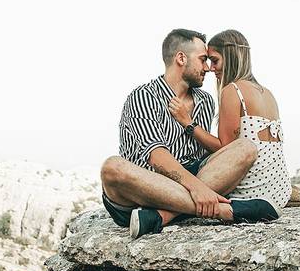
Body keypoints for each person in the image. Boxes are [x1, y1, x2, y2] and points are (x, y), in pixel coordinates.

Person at [100, 29, 276, 239]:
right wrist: (199, 189)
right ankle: (226, 211)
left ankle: (161, 216)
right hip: (146, 187)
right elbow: (158, 158)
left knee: (246, 147)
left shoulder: (205, 101)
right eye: (203, 60)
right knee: (112, 167)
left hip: (193, 177)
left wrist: (200, 182)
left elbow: (212, 153)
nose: (208, 68)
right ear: (181, 58)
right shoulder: (144, 96)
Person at [168, 29, 290, 218]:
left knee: (196, 193)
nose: (210, 68)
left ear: (231, 57)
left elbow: (224, 147)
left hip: (252, 188)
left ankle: (162, 213)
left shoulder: (233, 91)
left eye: (215, 60)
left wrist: (188, 123)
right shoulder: (267, 93)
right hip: (279, 189)